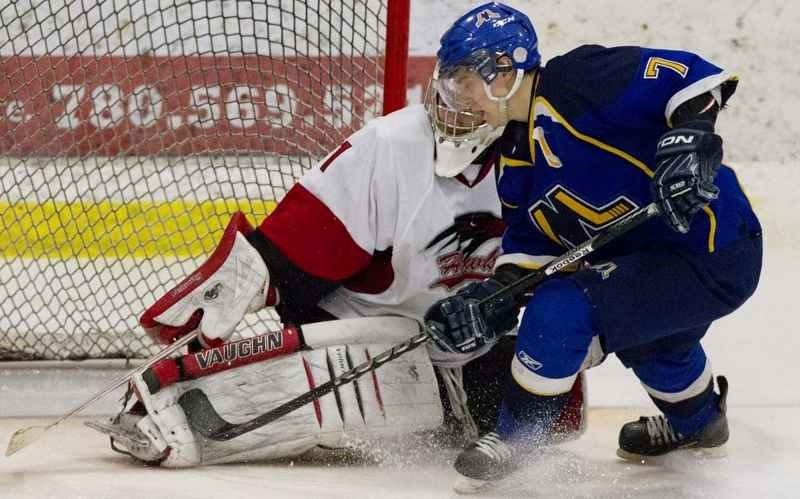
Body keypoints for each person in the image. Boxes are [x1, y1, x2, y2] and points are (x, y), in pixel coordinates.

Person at [88, 95, 586, 467]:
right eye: (452, 76)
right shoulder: (392, 146)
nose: (458, 94)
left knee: (557, 413)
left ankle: (452, 399)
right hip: (368, 331)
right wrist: (254, 275)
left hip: (466, 346)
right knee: (177, 423)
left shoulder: (550, 159)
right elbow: (302, 245)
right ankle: (176, 394)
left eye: (475, 80)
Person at [422, 2, 763, 492]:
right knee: (654, 347)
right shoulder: (515, 154)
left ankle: (519, 439)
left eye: (462, 81)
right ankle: (700, 422)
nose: (457, 98)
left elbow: (688, 75)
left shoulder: (576, 80)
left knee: (562, 309)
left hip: (713, 244)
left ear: (503, 71)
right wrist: (492, 298)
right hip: (647, 263)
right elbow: (533, 245)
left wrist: (692, 136)